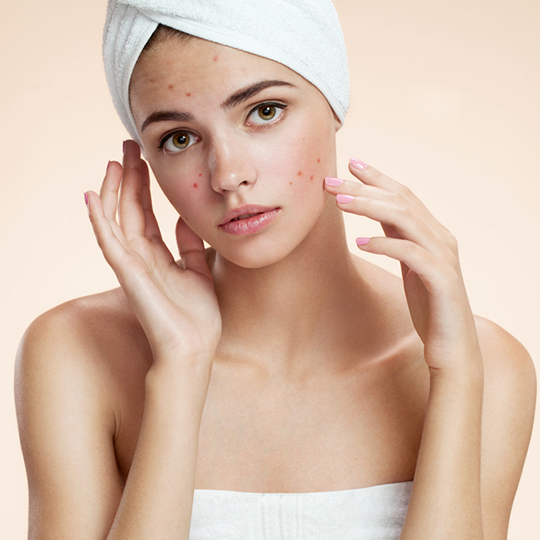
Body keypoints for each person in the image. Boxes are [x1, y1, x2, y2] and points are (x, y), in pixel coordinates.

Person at [15, 1, 536, 539]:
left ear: (333, 99)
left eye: (264, 111)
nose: (228, 175)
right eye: (179, 138)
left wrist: (454, 375)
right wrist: (180, 370)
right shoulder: (77, 352)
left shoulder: (480, 363)